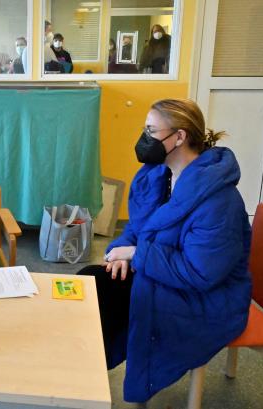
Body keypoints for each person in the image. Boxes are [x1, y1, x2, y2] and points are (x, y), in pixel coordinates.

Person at [77, 99, 251, 404]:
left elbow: (200, 273)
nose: (144, 139)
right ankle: (80, 377)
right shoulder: (159, 174)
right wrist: (120, 248)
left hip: (203, 297)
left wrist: (136, 255)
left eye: (151, 130)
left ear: (180, 137)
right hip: (164, 273)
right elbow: (138, 226)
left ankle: (83, 384)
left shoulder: (219, 201)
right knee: (92, 281)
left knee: (103, 298)